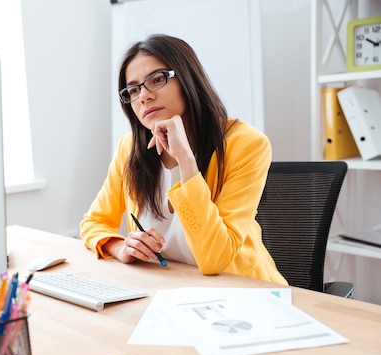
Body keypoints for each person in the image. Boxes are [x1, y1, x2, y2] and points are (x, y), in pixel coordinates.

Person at [80, 34, 287, 285]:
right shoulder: (130, 149)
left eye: (157, 79)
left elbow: (215, 259)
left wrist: (185, 161)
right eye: (133, 90)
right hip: (167, 289)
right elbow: (94, 222)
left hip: (240, 289)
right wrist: (119, 246)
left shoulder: (246, 143)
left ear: (188, 79)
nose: (143, 96)